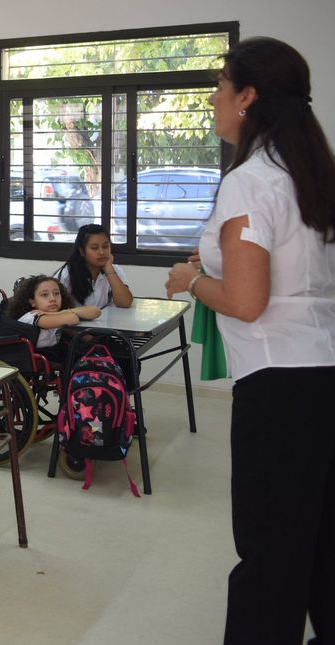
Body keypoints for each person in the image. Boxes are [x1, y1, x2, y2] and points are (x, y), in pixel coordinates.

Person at [163, 37, 335, 645]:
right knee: (318, 542)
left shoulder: (251, 181)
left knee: (269, 551)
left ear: (248, 97)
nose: (213, 100)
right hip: (324, 372)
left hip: (278, 383)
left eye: (220, 86)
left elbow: (245, 301)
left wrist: (191, 279)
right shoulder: (310, 173)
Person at [6, 275, 100, 365]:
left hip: (54, 355)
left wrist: (58, 313)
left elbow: (96, 312)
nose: (52, 299)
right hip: (41, 361)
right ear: (32, 302)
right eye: (45, 295)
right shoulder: (33, 316)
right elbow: (72, 318)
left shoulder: (52, 314)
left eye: (56, 293)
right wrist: (62, 313)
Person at [54, 224, 133, 308]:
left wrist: (109, 270)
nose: (101, 252)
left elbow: (125, 303)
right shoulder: (66, 274)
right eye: (94, 248)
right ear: (82, 251)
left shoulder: (114, 269)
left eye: (105, 246)